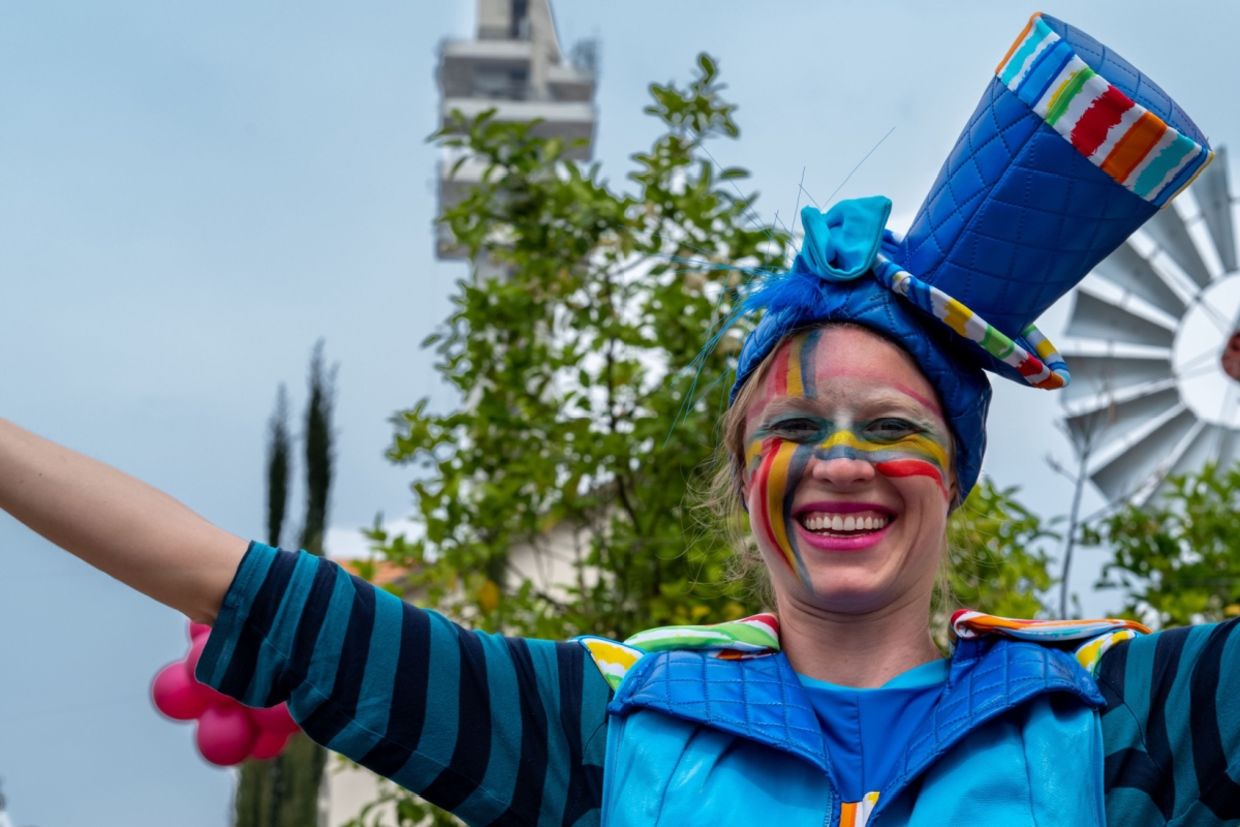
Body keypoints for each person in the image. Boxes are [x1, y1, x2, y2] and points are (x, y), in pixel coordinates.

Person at [1, 12, 1236, 827]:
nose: (842, 458)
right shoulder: (604, 720)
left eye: (891, 423)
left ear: (953, 471)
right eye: (793, 428)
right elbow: (253, 588)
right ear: (744, 473)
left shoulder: (1108, 708)